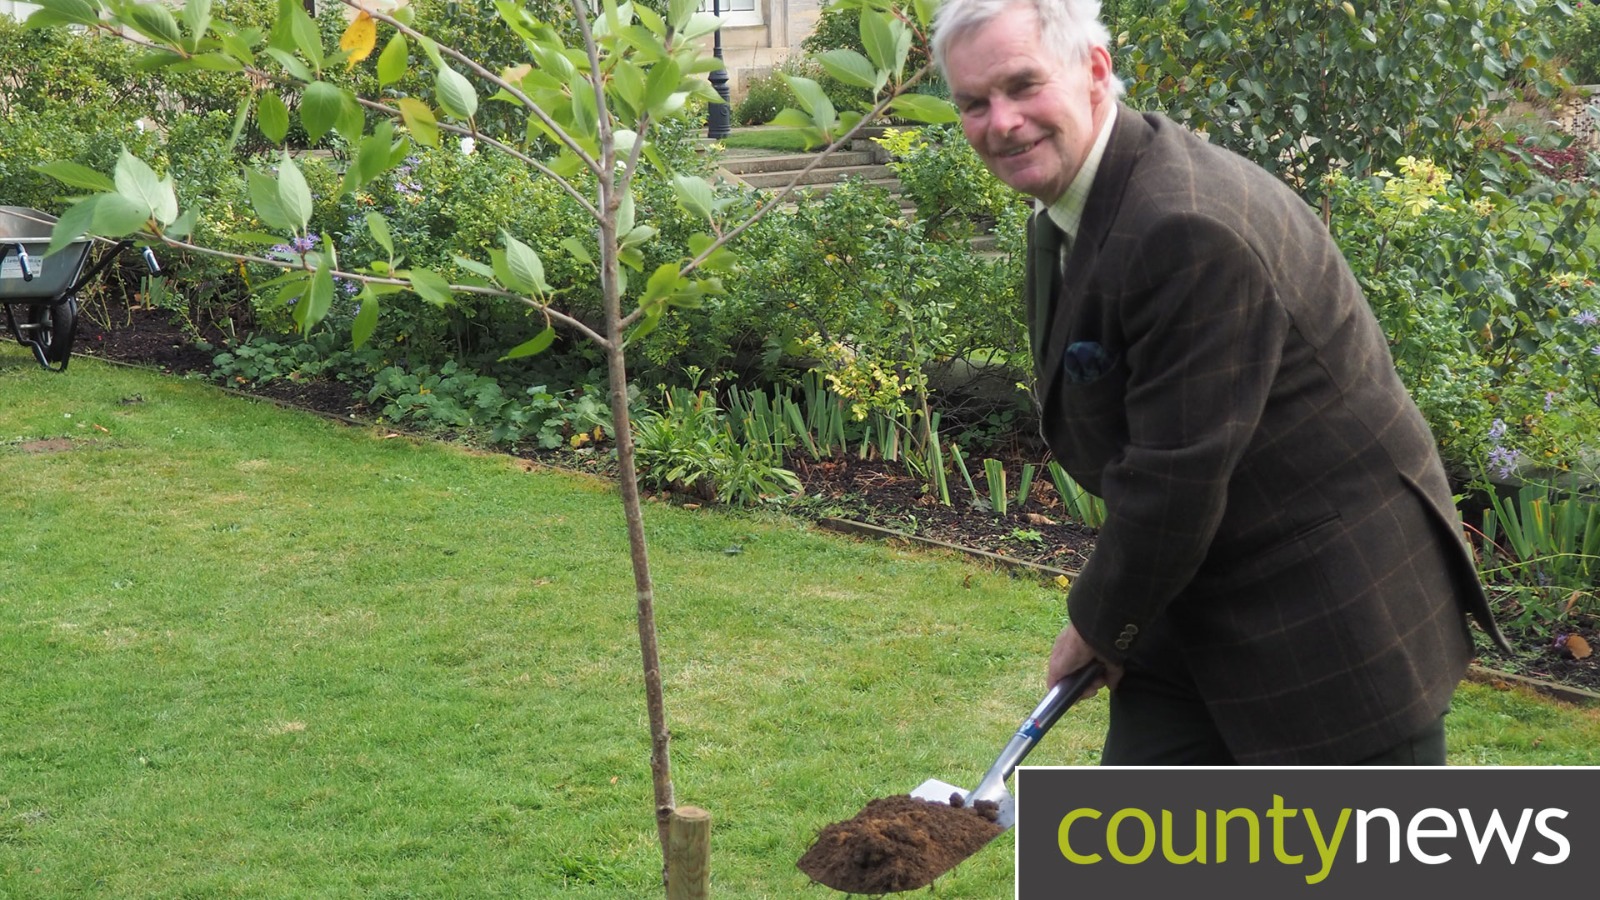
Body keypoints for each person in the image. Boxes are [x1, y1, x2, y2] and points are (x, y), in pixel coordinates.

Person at [931, 0, 1508, 765]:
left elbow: (1177, 472)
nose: (1000, 122)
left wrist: (1098, 623)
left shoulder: (1185, 227)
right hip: (1194, 591)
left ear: (1095, 71)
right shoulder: (1071, 208)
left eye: (1023, 86)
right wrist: (1121, 617)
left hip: (1328, 620)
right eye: (975, 102)